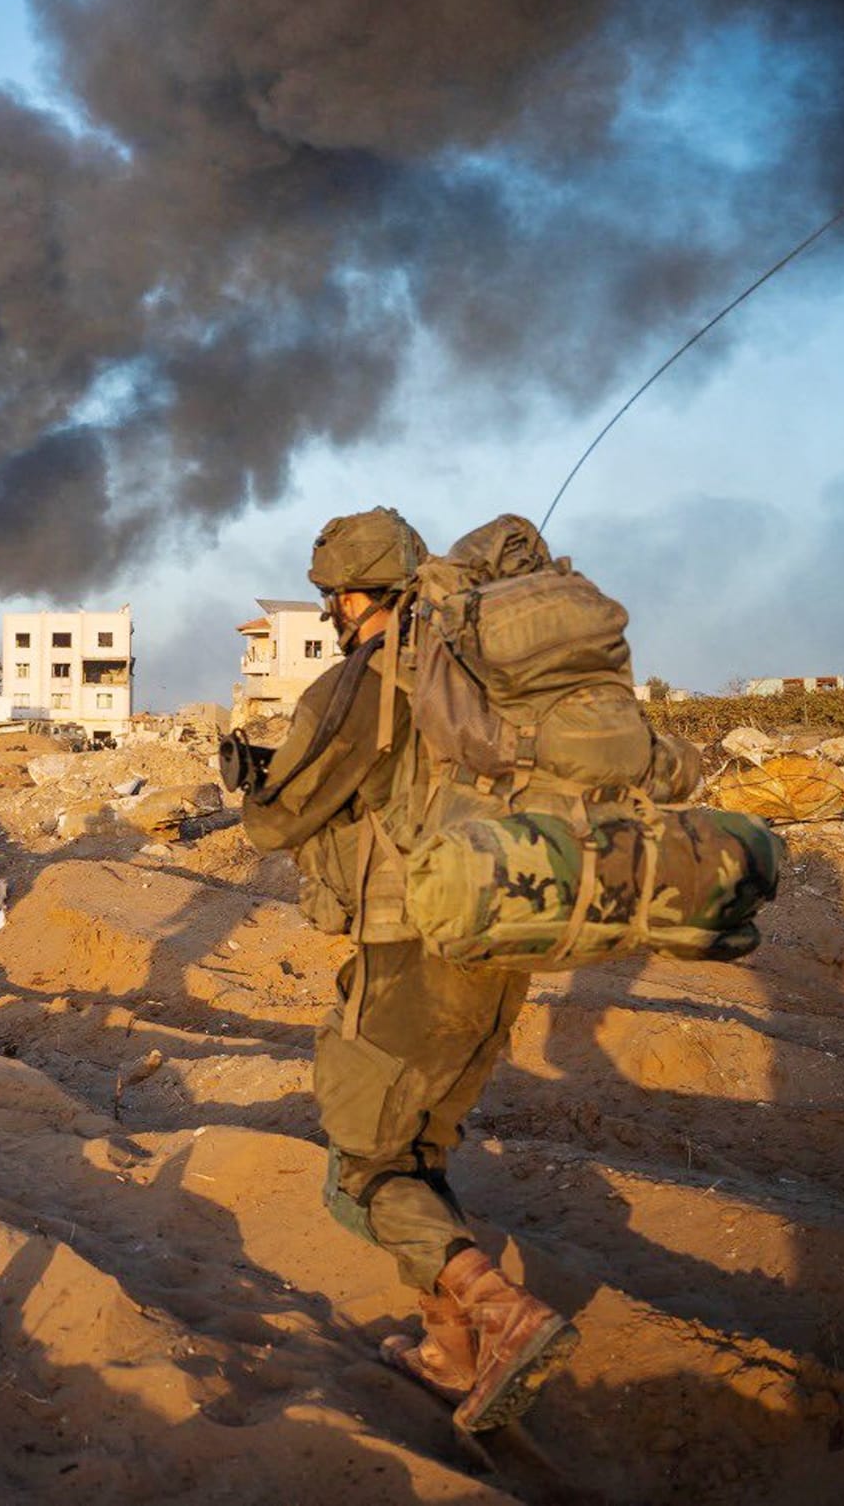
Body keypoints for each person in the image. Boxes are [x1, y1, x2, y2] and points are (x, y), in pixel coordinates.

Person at [239, 507, 574, 1433]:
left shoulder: (372, 678)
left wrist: (252, 787)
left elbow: (279, 816)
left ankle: (501, 1313)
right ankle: (447, 1346)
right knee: (416, 1148)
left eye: (332, 596)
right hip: (504, 940)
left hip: (412, 945)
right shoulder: (491, 674)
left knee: (364, 1164)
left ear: (354, 595)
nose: (332, 612)